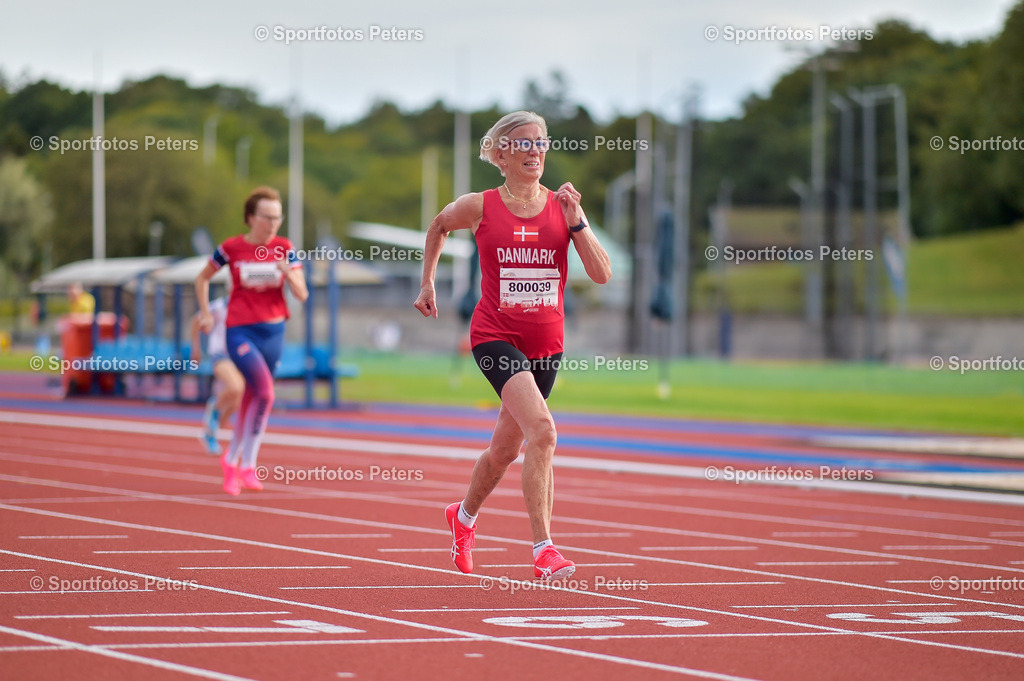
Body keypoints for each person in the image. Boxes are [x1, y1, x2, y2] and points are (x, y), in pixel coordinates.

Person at [414, 111, 611, 580]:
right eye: (522, 144)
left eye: (540, 143)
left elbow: (602, 274)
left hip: (547, 347)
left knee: (504, 451)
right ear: (500, 154)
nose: (533, 151)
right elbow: (439, 226)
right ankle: (544, 550)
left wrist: (578, 221)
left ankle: (462, 518)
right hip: (495, 336)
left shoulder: (562, 209)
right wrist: (428, 284)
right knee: (543, 431)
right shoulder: (479, 205)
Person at [195, 186, 308, 495]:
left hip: (273, 331)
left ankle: (232, 462)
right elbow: (202, 278)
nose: (272, 224)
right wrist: (205, 313)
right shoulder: (231, 247)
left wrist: (289, 273)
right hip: (240, 331)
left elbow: (302, 293)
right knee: (267, 393)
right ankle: (247, 464)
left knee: (252, 396)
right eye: (266, 217)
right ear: (250, 218)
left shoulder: (285, 247)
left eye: (277, 217)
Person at [190, 293, 244, 454]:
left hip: (240, 356)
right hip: (220, 354)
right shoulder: (219, 306)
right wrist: (196, 348)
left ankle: (210, 432)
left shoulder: (248, 308)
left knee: (237, 402)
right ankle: (214, 407)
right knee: (236, 388)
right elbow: (196, 319)